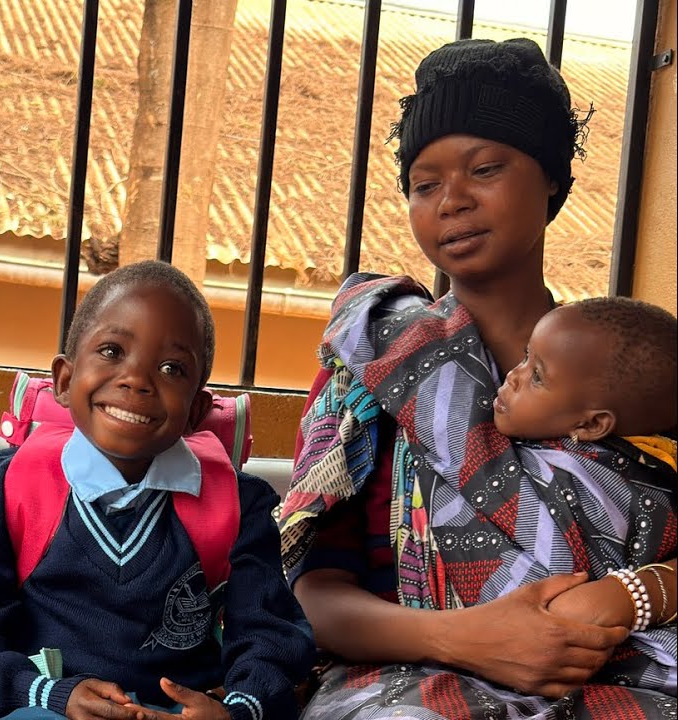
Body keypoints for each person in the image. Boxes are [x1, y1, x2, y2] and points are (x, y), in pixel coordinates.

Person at [278, 37, 676, 719]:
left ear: (550, 175)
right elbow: (308, 595)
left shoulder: (636, 367)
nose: (451, 202)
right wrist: (465, 639)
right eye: (424, 185)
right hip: (410, 682)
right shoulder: (375, 365)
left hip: (632, 667)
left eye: (485, 168)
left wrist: (630, 594)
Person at [0, 260, 315, 720]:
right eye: (111, 351)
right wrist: (51, 694)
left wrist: (237, 711)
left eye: (171, 367)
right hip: (40, 707)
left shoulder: (237, 506)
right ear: (65, 380)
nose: (138, 381)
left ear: (196, 411)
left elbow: (269, 636)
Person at [492, 297, 676, 469]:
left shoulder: (591, 485)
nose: (512, 376)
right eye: (526, 356)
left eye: (537, 376)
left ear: (592, 425)